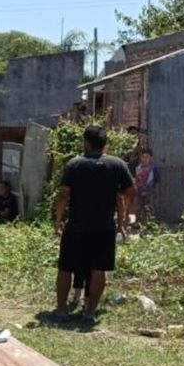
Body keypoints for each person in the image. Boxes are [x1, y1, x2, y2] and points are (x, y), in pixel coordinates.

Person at [52, 126, 134, 323]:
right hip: (104, 227)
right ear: (105, 144)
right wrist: (121, 221)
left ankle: (62, 310)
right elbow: (128, 193)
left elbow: (64, 195)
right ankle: (89, 313)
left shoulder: (75, 164)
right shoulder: (117, 165)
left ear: (86, 143)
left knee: (66, 267)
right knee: (99, 269)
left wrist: (57, 221)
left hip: (76, 226)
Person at [133, 149, 159, 225]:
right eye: (143, 157)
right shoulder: (137, 168)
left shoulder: (154, 169)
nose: (145, 159)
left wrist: (150, 188)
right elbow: (135, 178)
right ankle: (138, 222)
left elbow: (156, 180)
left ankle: (147, 223)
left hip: (149, 190)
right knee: (138, 206)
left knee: (148, 206)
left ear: (150, 158)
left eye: (147, 157)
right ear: (140, 158)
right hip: (139, 189)